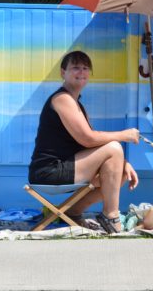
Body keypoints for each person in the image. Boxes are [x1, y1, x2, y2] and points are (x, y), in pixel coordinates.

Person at [29, 50, 139, 233]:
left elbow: (89, 141)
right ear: (63, 73)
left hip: (64, 166)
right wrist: (124, 135)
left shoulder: (76, 103)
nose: (81, 72)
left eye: (85, 68)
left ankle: (73, 212)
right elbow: (88, 139)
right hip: (49, 171)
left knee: (119, 172)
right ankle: (111, 216)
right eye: (75, 68)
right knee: (114, 147)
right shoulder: (62, 99)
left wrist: (123, 162)